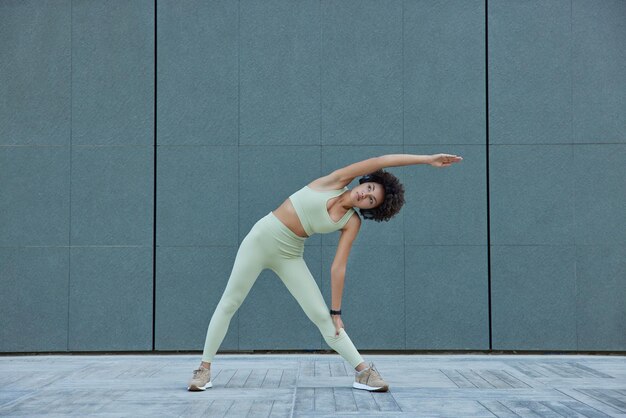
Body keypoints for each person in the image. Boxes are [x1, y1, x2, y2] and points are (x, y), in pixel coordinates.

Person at [187, 153, 463, 392]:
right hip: (260, 239)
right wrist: (426, 159)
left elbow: (338, 267)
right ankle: (204, 369)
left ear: (370, 210)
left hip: (290, 254)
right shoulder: (335, 181)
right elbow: (382, 160)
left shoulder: (351, 222)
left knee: (322, 317)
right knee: (230, 302)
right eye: (368, 188)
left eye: (370, 200)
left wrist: (336, 311)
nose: (364, 195)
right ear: (363, 181)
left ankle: (363, 372)